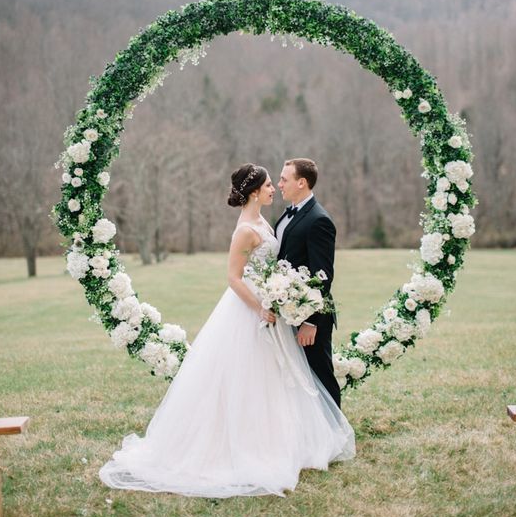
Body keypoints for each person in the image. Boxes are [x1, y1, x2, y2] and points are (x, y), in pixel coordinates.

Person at [99, 163, 355, 498]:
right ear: (254, 192)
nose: (275, 187)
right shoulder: (247, 229)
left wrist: (295, 308)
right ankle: (244, 445)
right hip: (252, 310)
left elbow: (310, 270)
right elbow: (234, 278)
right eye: (268, 184)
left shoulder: (271, 220)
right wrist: (261, 306)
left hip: (279, 309)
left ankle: (296, 438)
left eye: (280, 180)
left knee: (284, 377)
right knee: (248, 376)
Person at [276, 158, 341, 407]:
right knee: (299, 378)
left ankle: (337, 435)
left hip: (311, 317)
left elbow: (323, 275)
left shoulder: (318, 220)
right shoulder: (288, 214)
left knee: (321, 375)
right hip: (289, 310)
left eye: (284, 179)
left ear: (301, 182)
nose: (279, 184)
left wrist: (310, 321)